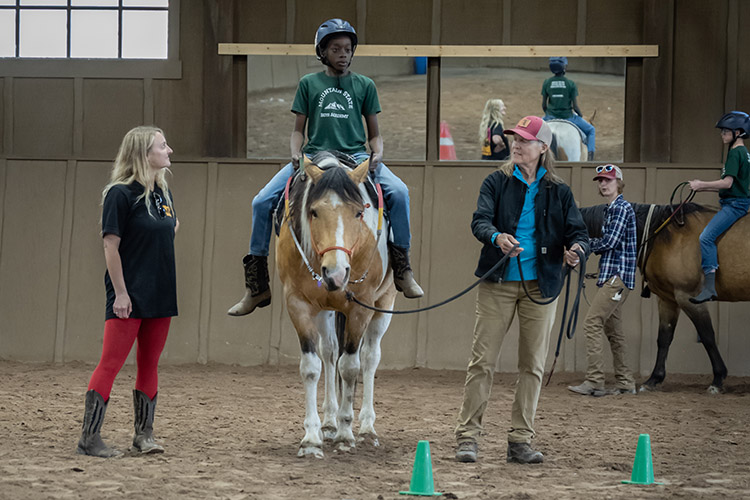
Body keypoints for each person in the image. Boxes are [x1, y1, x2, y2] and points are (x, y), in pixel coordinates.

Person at [228, 18, 423, 316]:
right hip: (315, 157)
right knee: (261, 201)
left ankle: (403, 268)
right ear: (323, 52)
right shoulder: (309, 84)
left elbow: (375, 134)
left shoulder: (365, 85)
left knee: (400, 191)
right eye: (336, 49)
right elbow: (298, 130)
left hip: (357, 157)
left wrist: (377, 153)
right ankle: (256, 285)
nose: (343, 54)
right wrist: (296, 153)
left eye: (347, 49)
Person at [455, 115, 590, 464]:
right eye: (514, 138)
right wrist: (496, 237)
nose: (516, 144)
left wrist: (577, 251)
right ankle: (468, 437)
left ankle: (520, 440)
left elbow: (579, 233)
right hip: (498, 282)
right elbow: (479, 220)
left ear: (542, 148)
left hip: (541, 286)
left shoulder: (559, 191)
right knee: (482, 362)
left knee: (532, 366)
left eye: (525, 140)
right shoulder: (495, 182)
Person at [76, 126, 178, 458]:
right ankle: (89, 438)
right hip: (129, 294)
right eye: (162, 146)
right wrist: (121, 293)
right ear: (144, 154)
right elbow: (110, 246)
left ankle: (144, 435)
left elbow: (169, 228)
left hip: (161, 291)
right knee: (111, 363)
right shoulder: (119, 194)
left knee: (150, 363)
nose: (169, 151)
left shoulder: (162, 193)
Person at [568, 164, 637, 397]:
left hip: (616, 279)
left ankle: (595, 380)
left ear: (618, 182)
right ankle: (625, 382)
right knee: (614, 332)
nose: (603, 184)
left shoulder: (620, 209)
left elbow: (610, 242)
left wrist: (583, 247)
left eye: (608, 180)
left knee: (591, 323)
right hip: (614, 277)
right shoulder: (612, 209)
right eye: (600, 181)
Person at [689, 111, 750, 303]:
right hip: (736, 202)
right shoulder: (744, 153)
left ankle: (709, 287)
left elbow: (728, 183)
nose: (722, 134)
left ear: (738, 132)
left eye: (725, 131)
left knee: (706, 237)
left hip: (735, 205)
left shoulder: (735, 153)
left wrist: (701, 185)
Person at [541, 56, 596, 161]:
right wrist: (580, 116)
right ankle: (590, 158)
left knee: (532, 132)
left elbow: (544, 105)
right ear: (564, 67)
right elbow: (575, 106)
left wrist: (548, 114)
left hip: (549, 116)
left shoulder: (547, 83)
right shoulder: (570, 84)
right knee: (591, 130)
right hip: (568, 117)